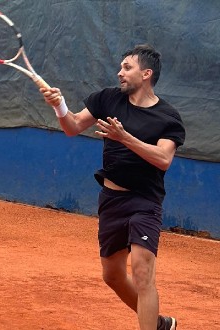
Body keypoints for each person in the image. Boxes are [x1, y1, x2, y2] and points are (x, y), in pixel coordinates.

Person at [39, 44, 185, 330]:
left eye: (127, 68)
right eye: (120, 67)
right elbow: (72, 126)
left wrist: (124, 137)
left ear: (146, 73)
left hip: (145, 202)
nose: (119, 72)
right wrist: (59, 105)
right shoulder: (108, 99)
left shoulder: (168, 117)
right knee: (112, 275)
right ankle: (158, 324)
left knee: (142, 273)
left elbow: (163, 159)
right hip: (111, 200)